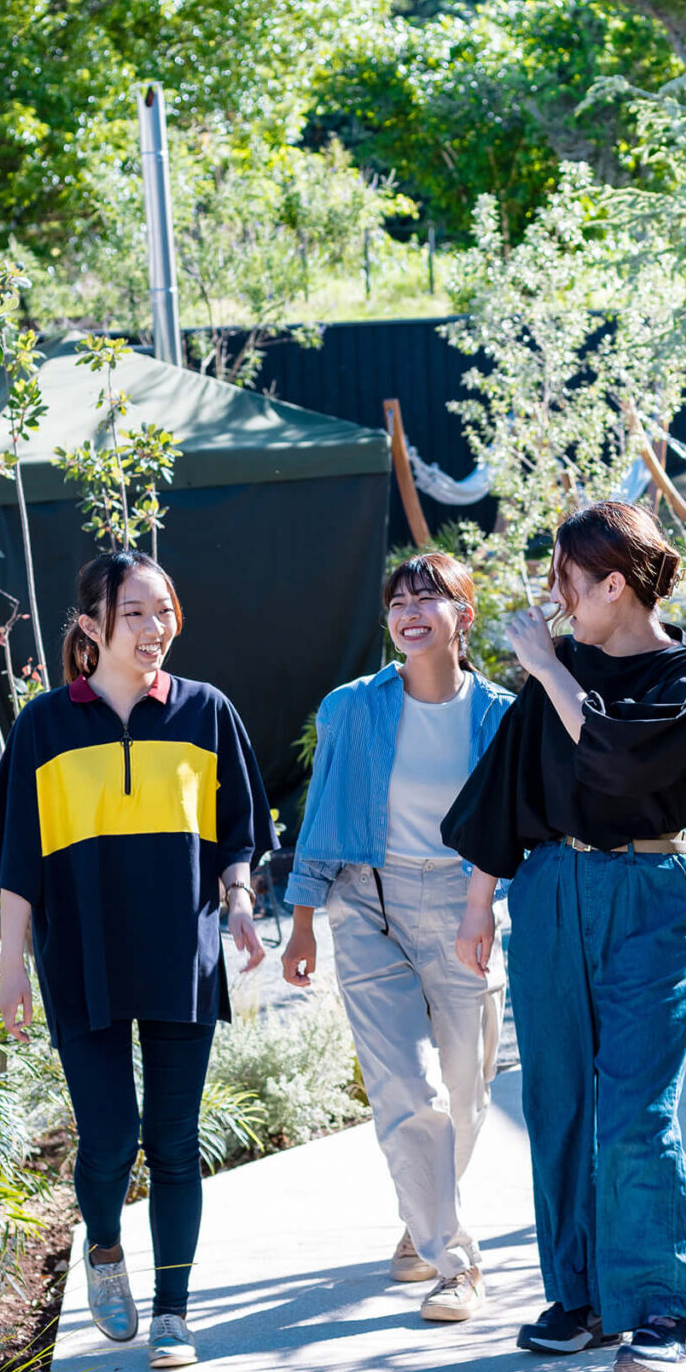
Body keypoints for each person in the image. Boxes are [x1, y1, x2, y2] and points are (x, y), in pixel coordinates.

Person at [442, 500, 686, 1372]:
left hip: (650, 891)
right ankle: (584, 1298)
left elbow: (621, 757)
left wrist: (543, 667)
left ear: (613, 584)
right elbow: (505, 786)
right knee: (558, 1100)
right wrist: (478, 907)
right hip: (552, 888)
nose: (556, 600)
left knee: (635, 1107)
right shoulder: (560, 668)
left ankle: (669, 1317)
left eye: (567, 581)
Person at [0, 550, 275, 1371]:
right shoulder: (44, 724)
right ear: (90, 626)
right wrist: (11, 966)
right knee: (110, 1138)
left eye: (164, 610)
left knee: (175, 1141)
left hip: (183, 949)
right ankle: (103, 1248)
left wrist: (240, 901)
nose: (154, 627)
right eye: (135, 612)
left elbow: (237, 833)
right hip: (82, 957)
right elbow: (19, 859)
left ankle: (174, 1314)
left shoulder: (207, 711)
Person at [277, 552, 514, 1323]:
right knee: (409, 1088)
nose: (409, 612)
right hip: (367, 904)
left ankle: (422, 1220)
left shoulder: (501, 715)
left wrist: (488, 907)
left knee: (467, 1090)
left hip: (465, 905)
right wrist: (303, 921)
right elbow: (324, 811)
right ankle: (455, 1261)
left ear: (463, 616)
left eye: (427, 599)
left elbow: (512, 826)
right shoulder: (351, 707)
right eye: (398, 602)